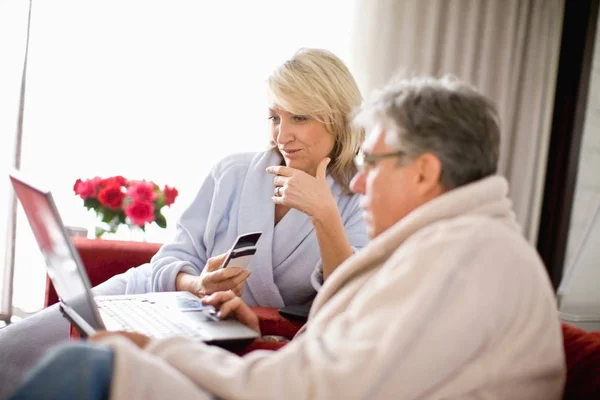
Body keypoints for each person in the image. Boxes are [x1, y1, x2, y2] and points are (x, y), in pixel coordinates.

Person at [9, 75, 566, 400]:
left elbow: (323, 385)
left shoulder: (464, 258)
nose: (365, 178)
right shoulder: (456, 246)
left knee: (89, 370)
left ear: (423, 171)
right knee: (81, 354)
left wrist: (163, 350)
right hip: (251, 347)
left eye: (376, 161)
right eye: (277, 117)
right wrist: (267, 339)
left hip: (277, 383)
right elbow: (353, 360)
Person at [0, 48, 369, 399]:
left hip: (219, 331)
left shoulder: (360, 197)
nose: (281, 135)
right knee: (12, 349)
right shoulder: (234, 172)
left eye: (299, 118)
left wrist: (325, 214)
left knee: (78, 374)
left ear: (337, 118)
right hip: (159, 299)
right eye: (275, 117)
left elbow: (350, 301)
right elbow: (171, 257)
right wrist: (197, 283)